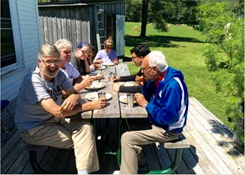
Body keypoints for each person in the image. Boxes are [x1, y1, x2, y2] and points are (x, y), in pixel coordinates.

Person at [14, 44, 106, 174]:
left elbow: (72, 92)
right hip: (35, 128)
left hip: (54, 120)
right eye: (49, 61)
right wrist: (89, 106)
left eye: (56, 61)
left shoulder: (60, 74)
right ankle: (85, 172)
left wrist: (74, 96)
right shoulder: (33, 81)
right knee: (85, 141)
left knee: (86, 128)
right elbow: (57, 111)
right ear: (39, 62)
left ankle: (84, 171)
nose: (53, 65)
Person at [115, 51, 189, 174]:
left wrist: (146, 104)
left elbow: (168, 118)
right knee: (127, 122)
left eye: (144, 69)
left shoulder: (172, 85)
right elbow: (149, 96)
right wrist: (144, 85)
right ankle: (140, 162)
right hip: (159, 122)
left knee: (127, 138)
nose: (142, 71)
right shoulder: (160, 77)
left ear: (154, 69)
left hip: (168, 130)